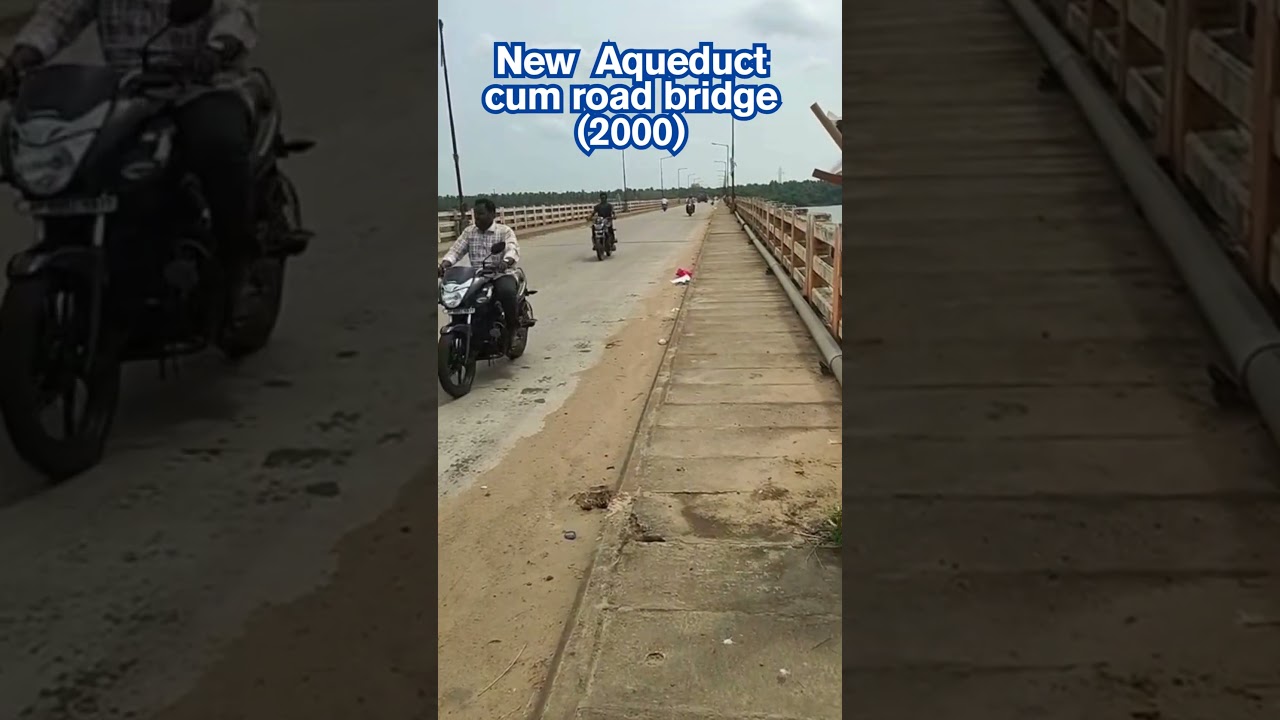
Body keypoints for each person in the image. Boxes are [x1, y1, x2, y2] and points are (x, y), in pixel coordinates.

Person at [0, 0, 263, 321]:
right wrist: (19, 60)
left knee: (218, 144)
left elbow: (236, 12)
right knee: (87, 164)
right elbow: (58, 16)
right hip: (124, 94)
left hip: (200, 87)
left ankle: (238, 264)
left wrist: (216, 50)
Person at [439, 198, 522, 351]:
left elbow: (512, 249)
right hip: (477, 276)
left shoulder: (504, 231)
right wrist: (444, 264)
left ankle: (513, 329)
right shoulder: (469, 232)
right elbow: (456, 251)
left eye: (481, 214)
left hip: (500, 273)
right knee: (462, 297)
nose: (476, 218)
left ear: (492, 214)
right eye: (475, 215)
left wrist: (505, 262)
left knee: (506, 291)